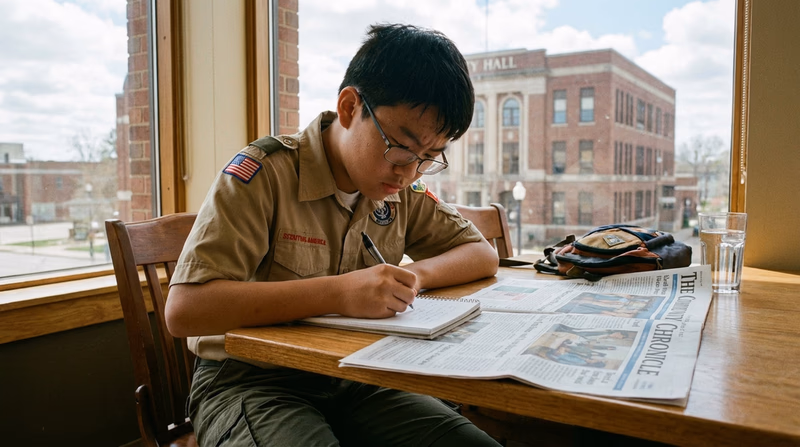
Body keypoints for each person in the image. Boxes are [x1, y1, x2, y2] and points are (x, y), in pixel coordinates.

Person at [165, 23, 501, 446]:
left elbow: (481, 254)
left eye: (429, 157)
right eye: (400, 147)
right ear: (348, 106)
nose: (410, 171)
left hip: (358, 373)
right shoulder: (265, 173)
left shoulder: (400, 188)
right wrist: (341, 293)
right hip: (250, 381)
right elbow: (185, 310)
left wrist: (415, 278)